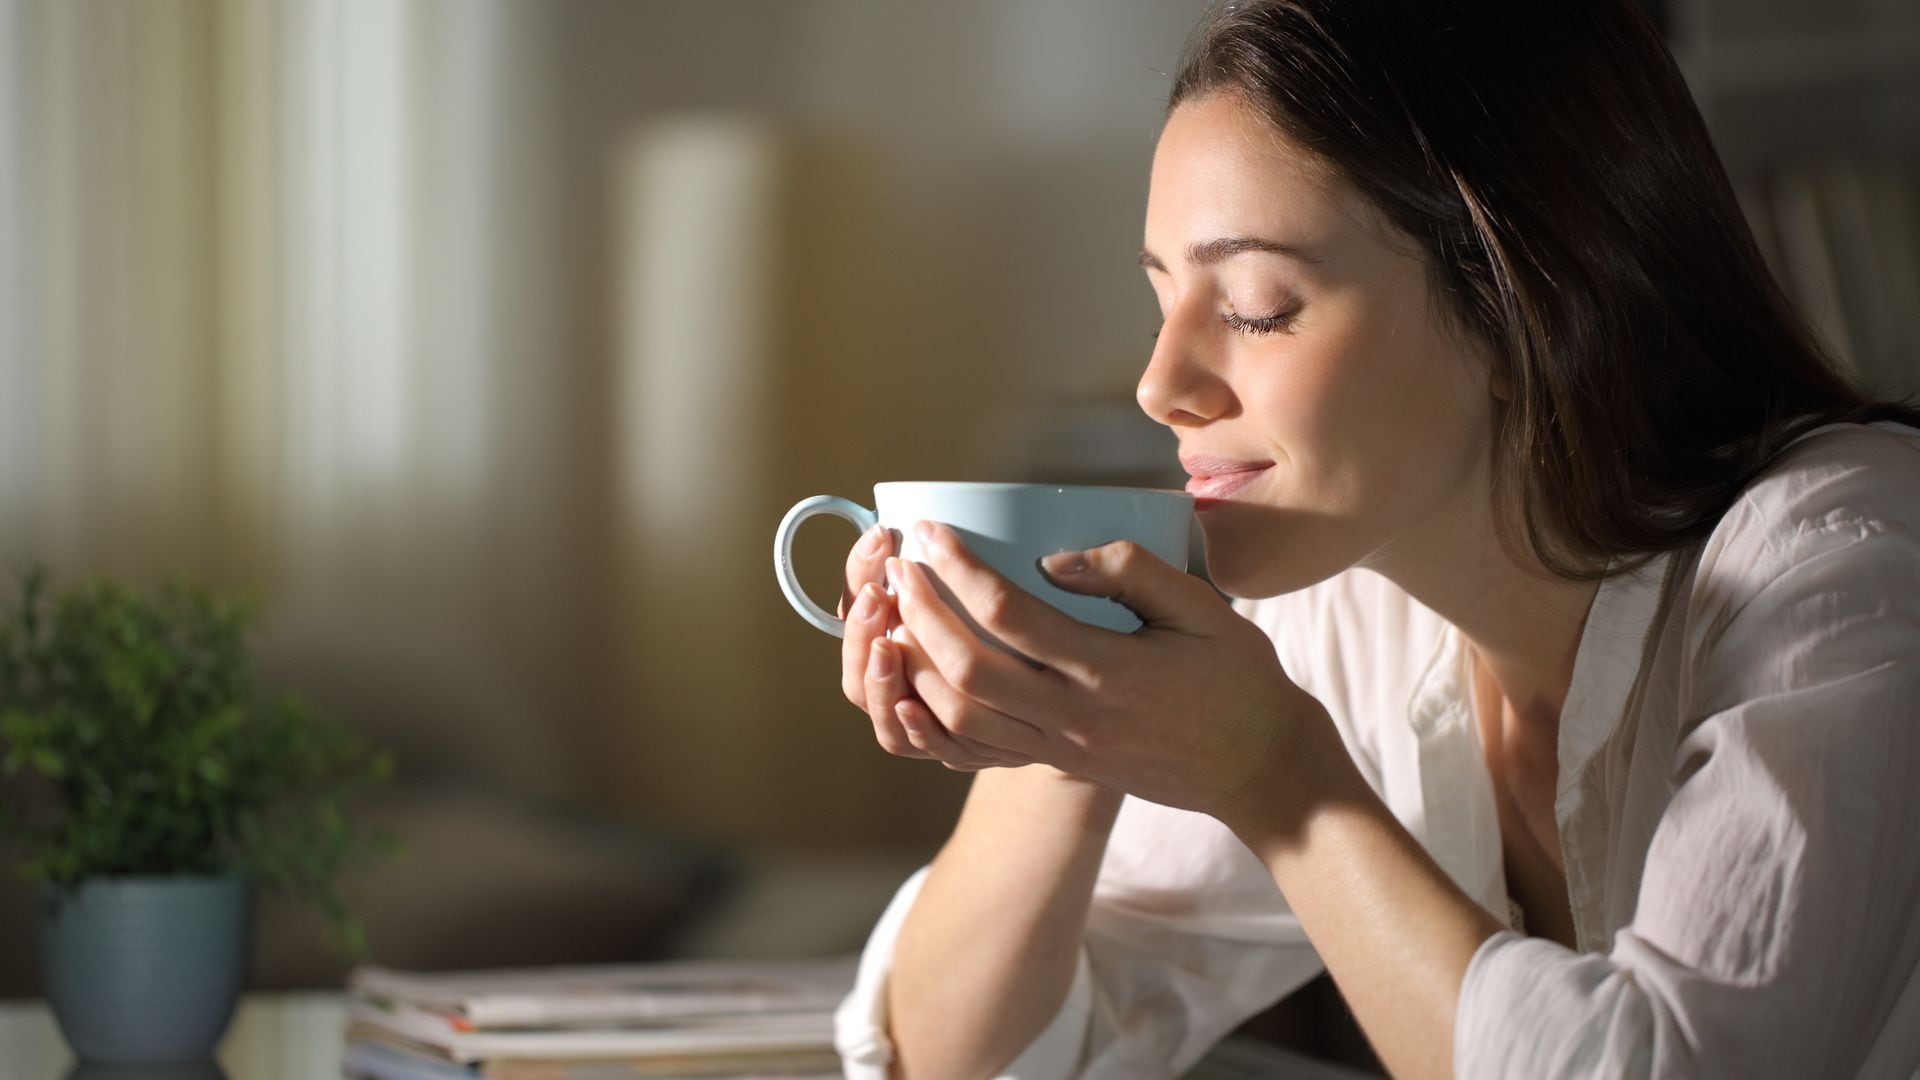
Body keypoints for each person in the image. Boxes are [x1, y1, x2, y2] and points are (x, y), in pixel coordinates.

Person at [828, 1, 1920, 1077]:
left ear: (1522, 305)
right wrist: (1064, 718)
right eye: (1162, 299)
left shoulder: (1837, 570)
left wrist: (1283, 783)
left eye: (1256, 306)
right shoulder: (1346, 602)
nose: (1162, 387)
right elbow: (941, 1061)